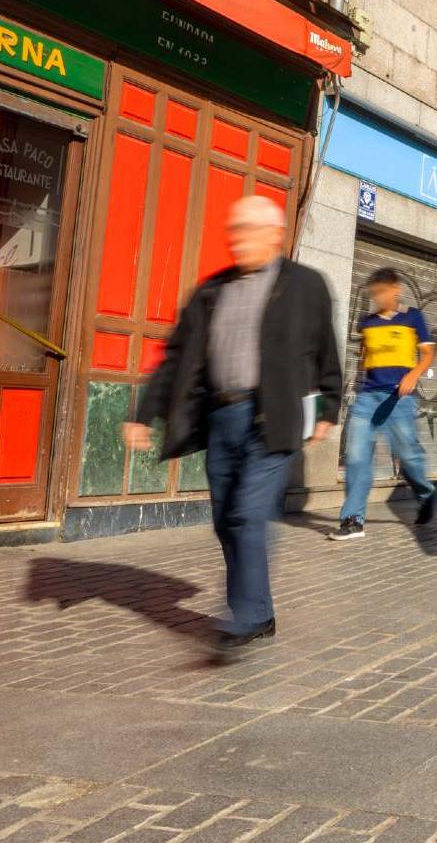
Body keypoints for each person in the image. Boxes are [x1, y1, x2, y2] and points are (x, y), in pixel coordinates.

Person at [123, 195, 342, 653]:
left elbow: (327, 353)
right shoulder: (212, 290)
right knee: (226, 520)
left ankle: (244, 615)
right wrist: (145, 415)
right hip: (221, 417)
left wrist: (328, 409)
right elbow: (178, 356)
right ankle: (258, 613)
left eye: (247, 231)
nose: (237, 240)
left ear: (274, 235)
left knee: (247, 514)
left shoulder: (305, 285)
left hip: (274, 419)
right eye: (234, 231)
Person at [331, 267, 437, 541]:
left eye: (381, 292)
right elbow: (363, 359)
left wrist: (413, 374)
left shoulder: (412, 317)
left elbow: (428, 353)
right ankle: (353, 519)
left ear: (396, 290)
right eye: (373, 294)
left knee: (409, 457)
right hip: (368, 398)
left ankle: (426, 494)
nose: (377, 298)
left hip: (398, 398)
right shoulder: (367, 323)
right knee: (356, 456)